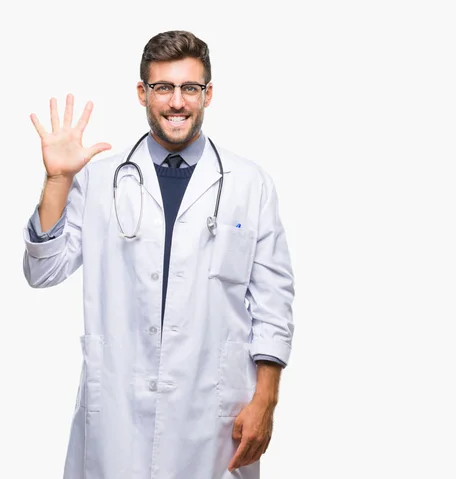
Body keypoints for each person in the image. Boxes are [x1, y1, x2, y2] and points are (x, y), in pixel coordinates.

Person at [23, 30, 295, 479]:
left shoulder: (250, 183)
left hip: (212, 412)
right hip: (117, 410)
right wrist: (58, 181)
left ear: (207, 94)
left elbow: (274, 303)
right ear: (142, 93)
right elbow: (43, 270)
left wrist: (266, 400)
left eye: (190, 88)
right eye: (163, 88)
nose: (176, 102)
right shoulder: (98, 179)